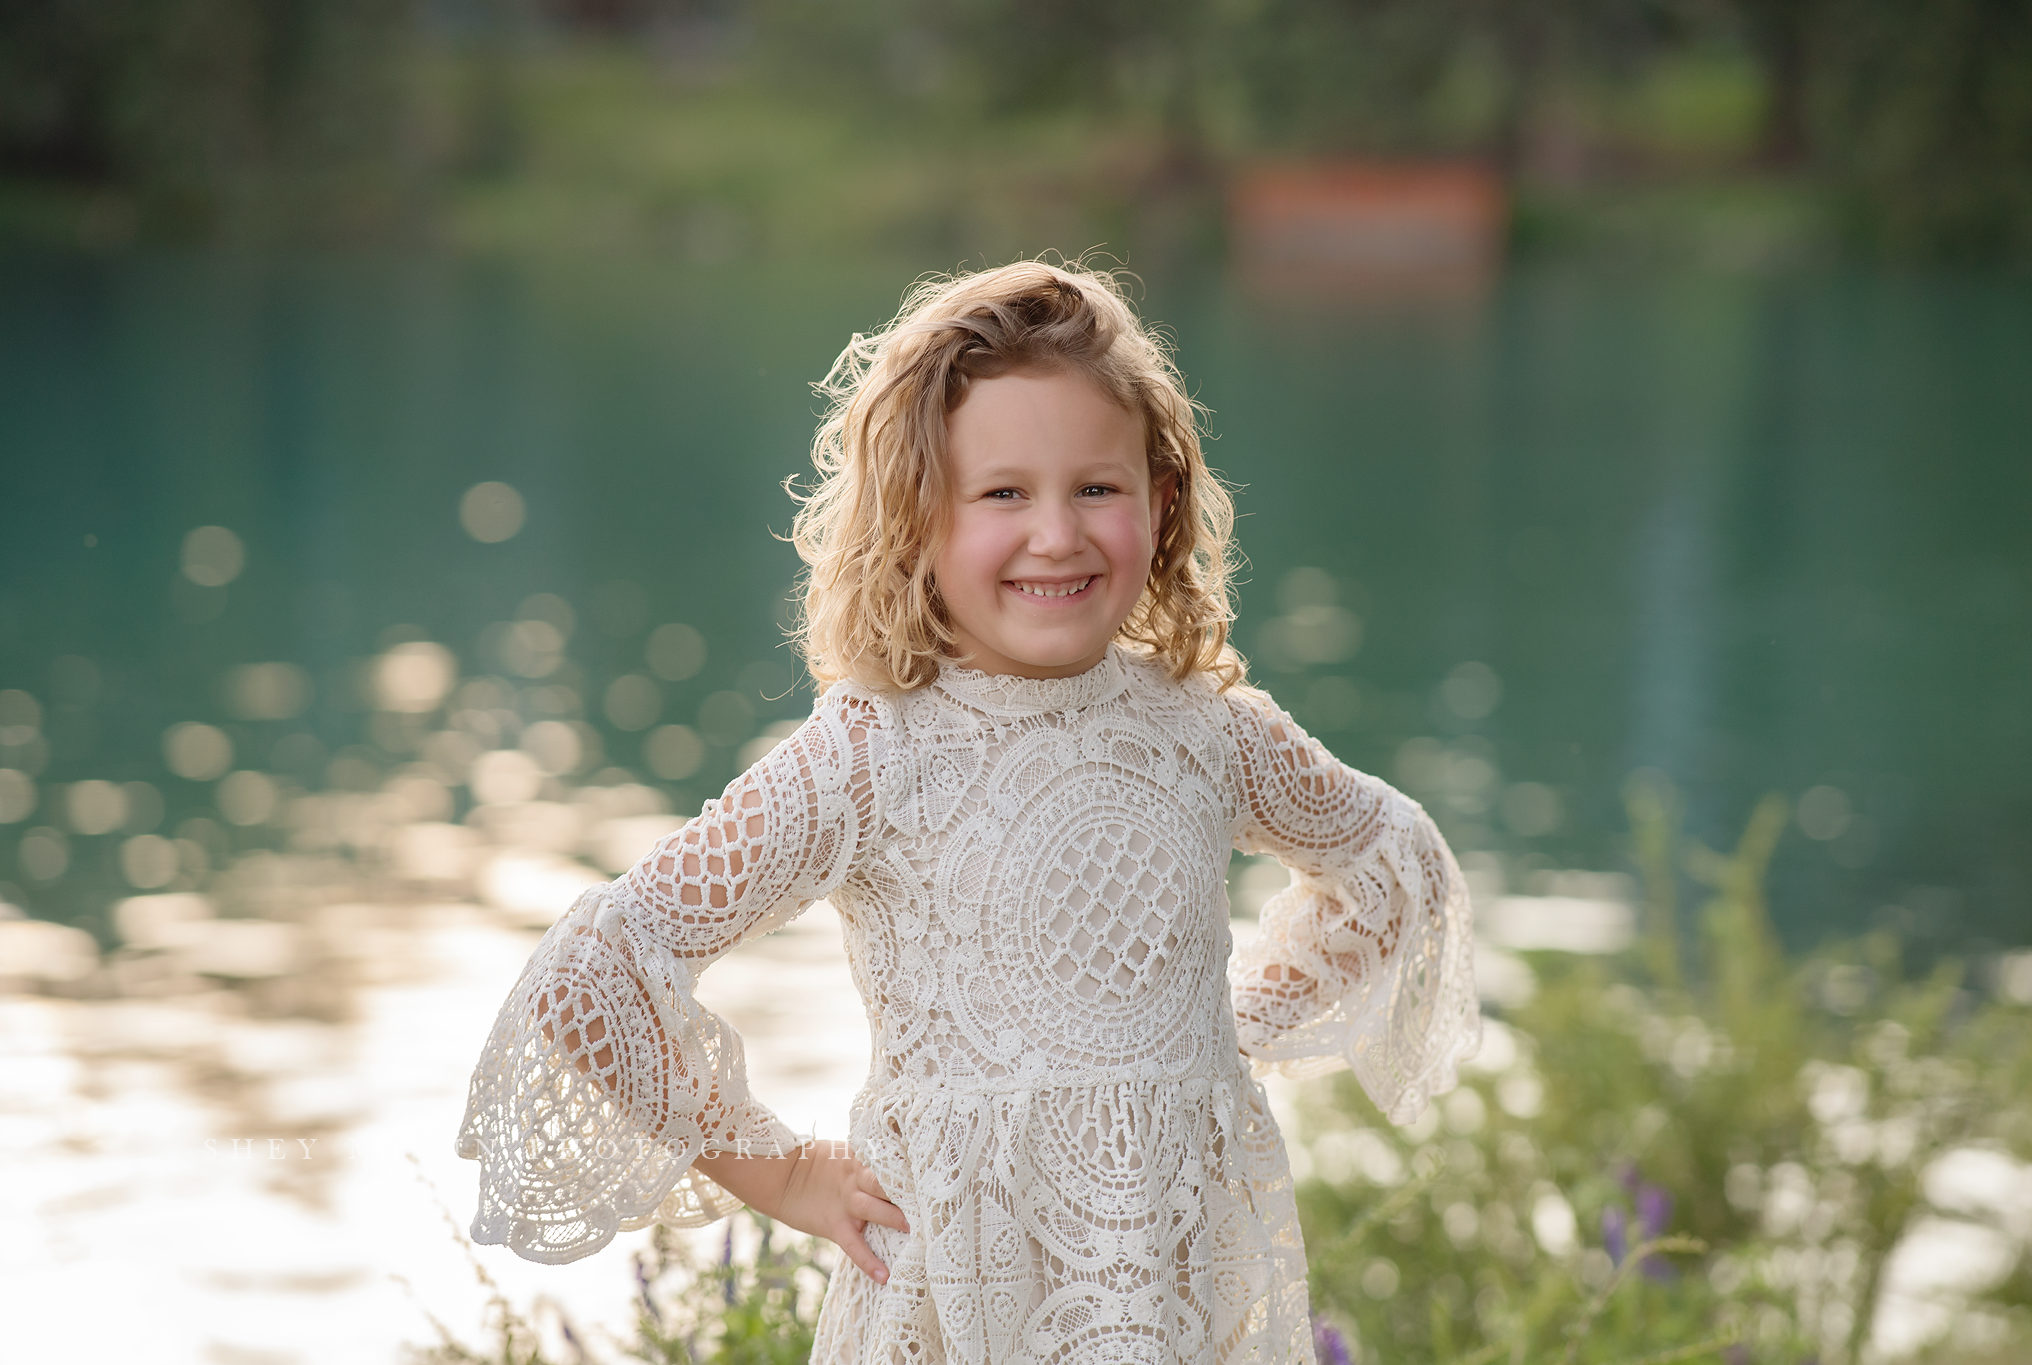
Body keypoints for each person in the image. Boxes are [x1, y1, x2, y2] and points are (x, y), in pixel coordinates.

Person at [456, 259, 1479, 1363]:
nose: (1056, 535)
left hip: (1179, 1298)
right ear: (914, 519)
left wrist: (1218, 1041)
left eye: (1097, 487)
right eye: (1001, 494)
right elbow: (590, 974)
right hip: (958, 1308)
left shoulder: (1206, 728)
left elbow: (1388, 859)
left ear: (1160, 500)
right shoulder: (872, 752)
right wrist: (784, 1173)